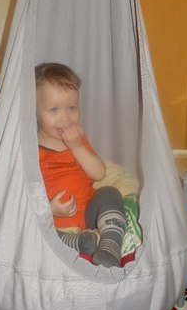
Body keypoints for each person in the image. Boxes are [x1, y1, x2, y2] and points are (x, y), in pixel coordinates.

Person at [35, 62, 126, 267]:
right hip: (52, 222)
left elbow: (99, 173)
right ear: (36, 111)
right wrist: (48, 210)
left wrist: (77, 146)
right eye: (54, 110)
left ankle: (110, 245)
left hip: (89, 217)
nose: (65, 118)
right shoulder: (31, 148)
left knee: (110, 193)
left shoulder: (78, 141)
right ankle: (77, 243)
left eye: (72, 108)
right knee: (33, 229)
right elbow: (24, 194)